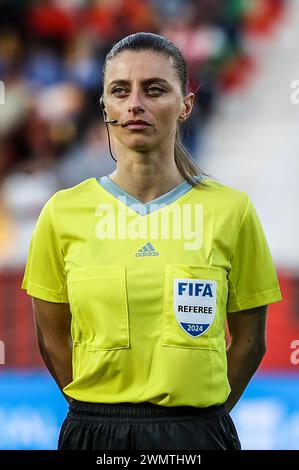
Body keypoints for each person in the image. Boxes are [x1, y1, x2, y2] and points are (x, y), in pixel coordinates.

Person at [21, 32, 282, 451]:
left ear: (186, 105)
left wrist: (200, 418)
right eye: (120, 91)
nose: (135, 104)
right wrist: (101, 415)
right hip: (94, 433)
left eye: (155, 89)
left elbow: (250, 342)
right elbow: (52, 341)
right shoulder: (62, 212)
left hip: (198, 434)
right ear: (104, 106)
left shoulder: (232, 211)